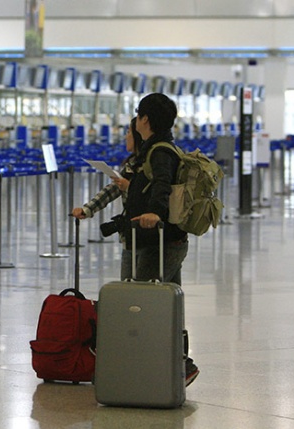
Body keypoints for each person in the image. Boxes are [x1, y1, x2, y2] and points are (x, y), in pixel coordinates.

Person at [124, 92, 199, 386]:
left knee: (143, 301)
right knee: (169, 303)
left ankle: (166, 366)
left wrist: (155, 212)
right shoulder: (155, 148)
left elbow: (162, 184)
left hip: (163, 240)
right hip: (168, 240)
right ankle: (178, 366)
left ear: (145, 119)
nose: (136, 120)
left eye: (138, 115)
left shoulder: (160, 151)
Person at [71, 117, 141, 226]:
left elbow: (152, 195)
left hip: (144, 227)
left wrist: (128, 187)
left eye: (128, 132)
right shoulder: (133, 161)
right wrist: (87, 209)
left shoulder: (149, 162)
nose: (125, 137)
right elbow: (113, 189)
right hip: (132, 225)